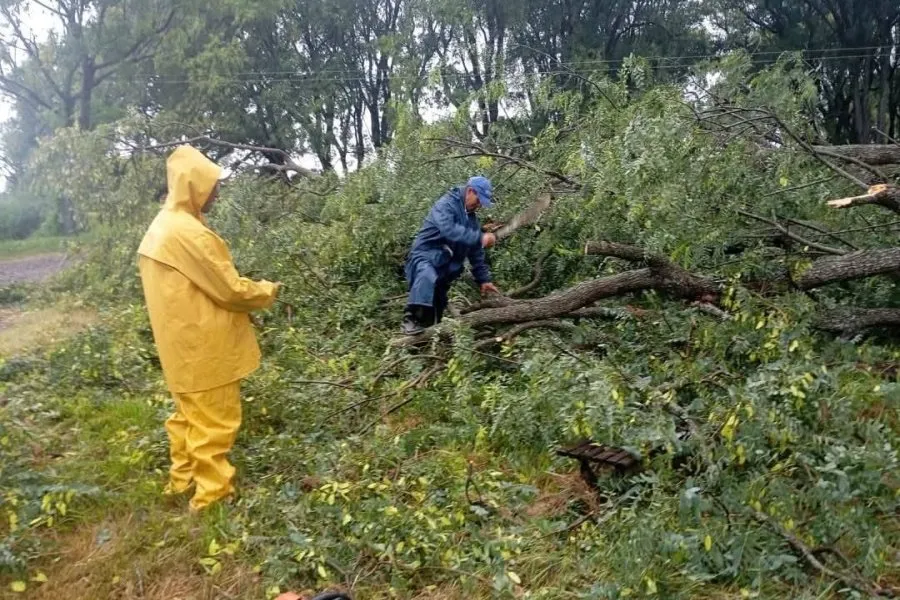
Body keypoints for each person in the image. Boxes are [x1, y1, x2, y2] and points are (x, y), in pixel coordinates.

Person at [137, 146, 280, 512]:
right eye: (213, 184)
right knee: (214, 423)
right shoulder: (189, 234)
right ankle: (212, 499)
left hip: (180, 348)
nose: (217, 191)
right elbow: (229, 289)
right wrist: (268, 290)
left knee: (187, 417)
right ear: (194, 185)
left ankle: (182, 480)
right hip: (205, 348)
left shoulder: (163, 225)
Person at [402, 176, 500, 335]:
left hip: (445, 268)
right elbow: (449, 230)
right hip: (426, 255)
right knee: (426, 275)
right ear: (470, 191)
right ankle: (410, 319)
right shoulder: (446, 205)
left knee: (436, 309)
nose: (479, 205)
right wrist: (480, 238)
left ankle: (425, 340)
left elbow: (476, 253)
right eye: (478, 200)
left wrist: (484, 280)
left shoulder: (472, 221)